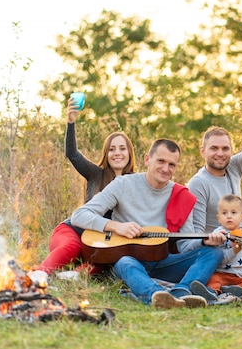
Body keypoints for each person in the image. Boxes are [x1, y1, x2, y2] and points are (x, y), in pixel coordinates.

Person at [70, 138, 226, 309]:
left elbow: (184, 245)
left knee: (214, 253)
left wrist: (204, 241)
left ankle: (180, 292)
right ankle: (155, 295)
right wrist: (116, 226)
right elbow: (79, 215)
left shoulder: (182, 195)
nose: (166, 169)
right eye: (161, 161)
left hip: (162, 260)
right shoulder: (123, 184)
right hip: (129, 260)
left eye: (172, 165)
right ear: (147, 159)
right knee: (124, 263)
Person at [28, 97, 136, 284]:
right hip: (73, 231)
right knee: (73, 246)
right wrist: (71, 120)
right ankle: (40, 273)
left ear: (129, 153)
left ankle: (75, 276)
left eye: (122, 148)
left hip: (100, 242)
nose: (117, 153)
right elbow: (72, 154)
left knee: (112, 254)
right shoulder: (96, 174)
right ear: (106, 154)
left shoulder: (136, 183)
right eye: (112, 149)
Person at [188, 113, 242, 234]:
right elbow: (198, 232)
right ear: (203, 151)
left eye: (225, 148)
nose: (220, 153)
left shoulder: (233, 167)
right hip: (219, 247)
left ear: (231, 150)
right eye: (214, 148)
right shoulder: (198, 183)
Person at [189, 194, 242, 304]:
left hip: (238, 276)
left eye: (233, 213)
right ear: (219, 218)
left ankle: (235, 290)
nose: (229, 216)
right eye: (224, 213)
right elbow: (218, 257)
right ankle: (211, 292)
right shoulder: (218, 234)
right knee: (213, 279)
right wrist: (235, 250)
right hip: (221, 273)